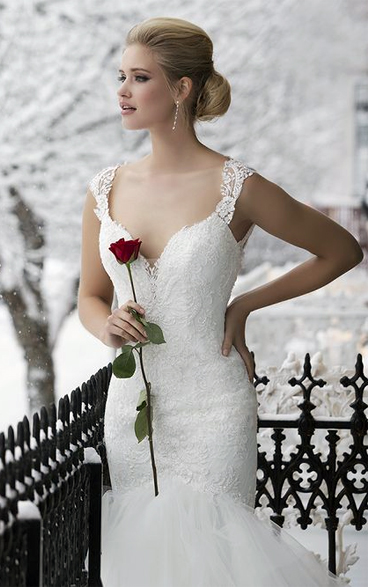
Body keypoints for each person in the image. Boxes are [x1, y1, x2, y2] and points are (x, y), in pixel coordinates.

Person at [77, 16, 363, 587]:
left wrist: (245, 304)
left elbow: (341, 250)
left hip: (214, 403)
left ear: (181, 88)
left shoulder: (238, 186)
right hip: (135, 407)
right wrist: (106, 326)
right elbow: (90, 295)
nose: (122, 92)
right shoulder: (105, 188)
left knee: (216, 553)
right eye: (121, 77)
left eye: (139, 78)